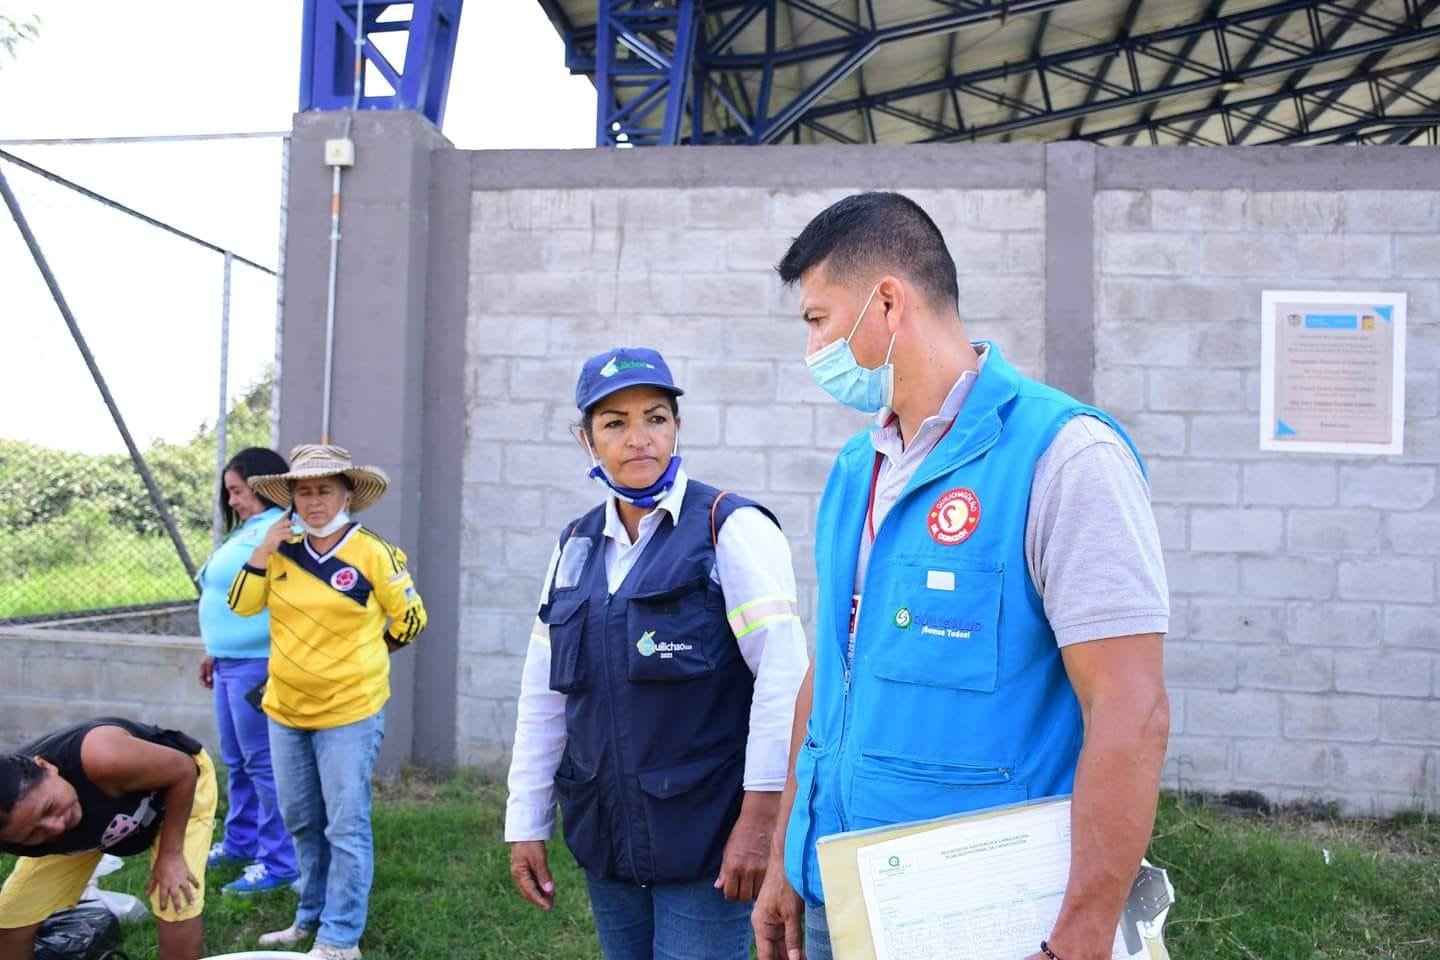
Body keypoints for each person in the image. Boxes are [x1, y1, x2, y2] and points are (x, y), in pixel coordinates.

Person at [751, 192, 1171, 960]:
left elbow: (1130, 709)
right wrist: (788, 854)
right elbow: (830, 673)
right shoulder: (856, 471)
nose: (811, 350)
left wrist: (1083, 932)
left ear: (885, 302)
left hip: (985, 916)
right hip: (842, 892)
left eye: (817, 321)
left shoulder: (1065, 458)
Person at [505, 347, 810, 960]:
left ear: (677, 426)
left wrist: (761, 821)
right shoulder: (575, 545)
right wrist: (526, 820)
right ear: (587, 439)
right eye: (614, 423)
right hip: (607, 833)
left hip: (707, 837)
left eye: (656, 417)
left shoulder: (730, 527)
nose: (638, 438)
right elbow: (544, 691)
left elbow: (785, 679)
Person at [228, 444, 427, 960]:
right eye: (303, 491)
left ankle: (340, 938)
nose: (313, 501)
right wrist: (262, 549)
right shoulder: (280, 549)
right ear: (291, 498)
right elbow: (241, 606)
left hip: (350, 712)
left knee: (345, 823)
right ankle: (309, 917)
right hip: (285, 711)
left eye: (324, 490)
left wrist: (366, 656)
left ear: (347, 495)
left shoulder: (373, 552)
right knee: (300, 819)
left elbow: (411, 620)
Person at [0, 718, 217, 960]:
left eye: (48, 808)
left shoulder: (102, 756)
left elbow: (183, 770)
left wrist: (171, 854)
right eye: (33, 834)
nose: (56, 826)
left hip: (175, 790)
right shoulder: (26, 824)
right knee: (12, 917)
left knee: (176, 899)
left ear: (46, 766)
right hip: (97, 822)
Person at [196, 446, 299, 894]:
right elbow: (225, 595)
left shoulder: (282, 531)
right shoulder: (251, 531)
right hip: (228, 662)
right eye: (229, 493)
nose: (232, 501)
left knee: (263, 764)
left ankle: (280, 862)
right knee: (237, 760)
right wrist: (213, 649)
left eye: (237, 491)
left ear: (261, 485)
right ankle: (243, 841)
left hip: (260, 663)